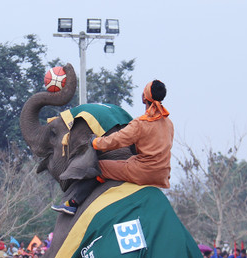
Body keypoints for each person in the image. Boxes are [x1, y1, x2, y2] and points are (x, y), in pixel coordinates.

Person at [52, 80, 173, 215]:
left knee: (99, 167)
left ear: (145, 98)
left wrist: (96, 142)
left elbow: (118, 139)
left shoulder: (141, 123)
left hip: (143, 171)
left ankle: (72, 203)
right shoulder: (168, 123)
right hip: (163, 174)